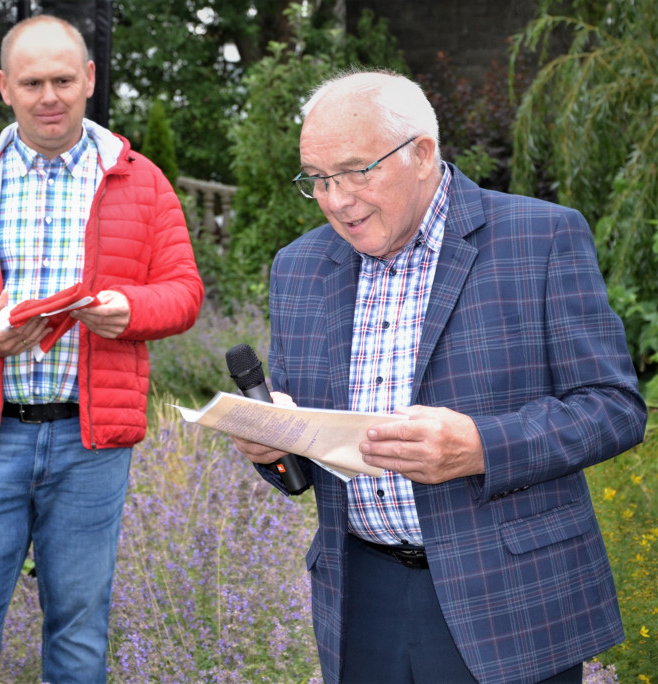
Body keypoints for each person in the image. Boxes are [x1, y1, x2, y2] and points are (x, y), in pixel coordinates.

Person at [232, 68, 647, 684]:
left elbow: (614, 407)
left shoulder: (542, 236)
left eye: (355, 171)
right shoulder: (299, 268)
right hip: (359, 594)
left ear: (421, 153)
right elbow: (301, 458)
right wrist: (272, 445)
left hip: (509, 596)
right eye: (317, 180)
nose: (336, 199)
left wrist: (482, 447)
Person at [0, 14, 204, 683]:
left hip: (90, 444)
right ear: (5, 87)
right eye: (32, 82)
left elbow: (183, 290)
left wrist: (132, 311)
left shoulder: (138, 179)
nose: (49, 96)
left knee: (79, 628)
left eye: (63, 79)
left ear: (89, 79)